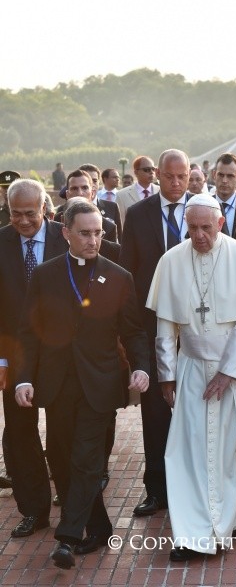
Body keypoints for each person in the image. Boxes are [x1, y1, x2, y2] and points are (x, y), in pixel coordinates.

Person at [147, 194, 236, 561]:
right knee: (189, 451)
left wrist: (228, 373)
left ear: (221, 224)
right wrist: (166, 375)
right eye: (192, 228)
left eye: (206, 228)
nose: (198, 235)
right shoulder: (171, 261)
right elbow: (165, 325)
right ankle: (195, 532)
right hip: (193, 368)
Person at [15, 200, 149, 569]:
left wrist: (141, 366)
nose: (93, 241)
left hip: (100, 384)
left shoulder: (119, 276)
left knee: (86, 459)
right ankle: (100, 524)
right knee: (59, 457)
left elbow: (133, 331)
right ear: (66, 233)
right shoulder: (44, 275)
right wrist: (23, 377)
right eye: (85, 234)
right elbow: (28, 334)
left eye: (98, 233)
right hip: (56, 384)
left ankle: (68, 538)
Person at [119, 149, 191, 516]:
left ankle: (193, 486)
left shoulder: (202, 211)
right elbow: (129, 274)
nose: (176, 184)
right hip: (152, 327)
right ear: (157, 176)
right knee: (156, 411)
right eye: (169, 176)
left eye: (183, 176)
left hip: (197, 330)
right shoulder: (138, 214)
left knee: (195, 409)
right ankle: (156, 489)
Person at [0, 178, 64, 538]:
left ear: (45, 209)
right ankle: (34, 510)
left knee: (62, 433)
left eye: (30, 214)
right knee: (21, 435)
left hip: (60, 356)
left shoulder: (65, 237)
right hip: (15, 357)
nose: (23, 222)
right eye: (14, 214)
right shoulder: (0, 242)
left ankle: (71, 504)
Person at [115, 155, 160, 224]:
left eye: (153, 169)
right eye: (147, 169)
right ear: (136, 172)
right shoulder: (122, 195)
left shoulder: (161, 192)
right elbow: (121, 223)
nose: (151, 172)